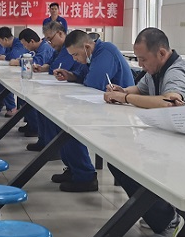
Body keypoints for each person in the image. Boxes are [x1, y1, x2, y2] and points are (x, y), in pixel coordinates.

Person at [104, 27, 185, 237]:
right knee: (118, 159)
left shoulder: (176, 71)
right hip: (172, 136)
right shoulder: (155, 71)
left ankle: (167, 219)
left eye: (143, 59)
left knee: (127, 162)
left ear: (161, 53)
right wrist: (121, 90)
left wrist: (125, 98)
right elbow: (138, 90)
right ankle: (154, 209)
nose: (140, 64)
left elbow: (169, 102)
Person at [51, 29, 134, 192]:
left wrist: (82, 77)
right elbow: (82, 75)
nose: (74, 59)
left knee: (71, 123)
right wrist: (69, 75)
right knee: (59, 120)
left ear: (87, 47)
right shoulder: (91, 56)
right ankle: (74, 169)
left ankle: (85, 177)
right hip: (103, 105)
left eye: (75, 55)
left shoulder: (106, 52)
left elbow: (93, 83)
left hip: (121, 112)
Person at [25, 21, 88, 152]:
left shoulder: (69, 47)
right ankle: (45, 142)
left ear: (60, 33)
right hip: (67, 85)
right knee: (41, 105)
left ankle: (52, 146)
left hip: (76, 90)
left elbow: (56, 67)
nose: (49, 43)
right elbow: (51, 64)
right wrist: (43, 68)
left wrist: (48, 68)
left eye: (50, 38)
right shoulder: (58, 49)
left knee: (50, 108)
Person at [0, 27, 27, 117]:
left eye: (0, 41)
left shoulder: (18, 43)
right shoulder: (9, 45)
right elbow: (7, 55)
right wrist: (2, 56)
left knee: (5, 82)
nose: (0, 44)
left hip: (24, 73)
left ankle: (12, 107)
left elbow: (13, 56)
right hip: (15, 70)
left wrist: (5, 57)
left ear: (5, 39)